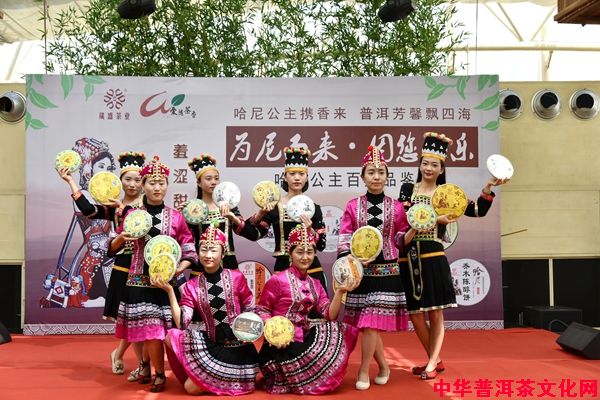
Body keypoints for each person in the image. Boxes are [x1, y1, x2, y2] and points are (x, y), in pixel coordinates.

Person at [398, 132, 508, 380]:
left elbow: (477, 210)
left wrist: (488, 188)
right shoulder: (407, 189)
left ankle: (431, 363)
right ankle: (434, 360)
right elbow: (403, 220)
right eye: (425, 163)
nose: (428, 168)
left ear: (442, 168)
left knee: (435, 311)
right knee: (415, 314)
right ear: (420, 164)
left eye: (434, 165)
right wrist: (434, 219)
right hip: (408, 256)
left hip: (433, 255)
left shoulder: (446, 193)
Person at [111, 155, 198, 392]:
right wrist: (121, 238)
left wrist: (181, 267)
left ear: (167, 185)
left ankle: (155, 371)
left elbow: (189, 247)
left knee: (156, 332)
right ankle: (149, 368)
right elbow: (112, 247)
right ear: (143, 185)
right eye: (151, 183)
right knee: (144, 330)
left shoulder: (176, 217)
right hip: (138, 280)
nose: (156, 187)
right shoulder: (133, 215)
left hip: (165, 283)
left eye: (161, 183)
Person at [57, 151, 146, 377]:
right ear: (120, 180)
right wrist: (70, 181)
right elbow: (89, 211)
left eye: (137, 179)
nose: (132, 184)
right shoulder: (113, 206)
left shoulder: (150, 205)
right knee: (131, 319)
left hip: (147, 267)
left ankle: (120, 355)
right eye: (128, 179)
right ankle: (142, 365)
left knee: (144, 319)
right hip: (124, 268)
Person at [153, 225, 259, 395]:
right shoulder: (192, 285)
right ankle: (205, 373)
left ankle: (213, 375)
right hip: (213, 345)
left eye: (213, 250)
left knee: (191, 388)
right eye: (204, 250)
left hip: (239, 348)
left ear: (222, 254)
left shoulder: (237, 277)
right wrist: (170, 291)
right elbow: (182, 323)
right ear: (198, 253)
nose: (208, 255)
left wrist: (248, 335)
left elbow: (251, 309)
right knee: (170, 337)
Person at [337, 145, 410, 390]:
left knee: (369, 323)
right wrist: (353, 259)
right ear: (363, 176)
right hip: (362, 273)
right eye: (371, 172)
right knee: (370, 325)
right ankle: (385, 366)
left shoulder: (397, 206)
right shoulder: (352, 205)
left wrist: (413, 229)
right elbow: (345, 238)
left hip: (387, 272)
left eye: (381, 172)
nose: (376, 176)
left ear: (387, 176)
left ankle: (364, 369)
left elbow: (399, 240)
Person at [257, 224, 359, 394]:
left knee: (336, 329)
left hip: (302, 339)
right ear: (290, 253)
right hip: (278, 345)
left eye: (309, 252)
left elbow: (329, 315)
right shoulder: (278, 280)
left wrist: (340, 292)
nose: (305, 257)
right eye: (300, 252)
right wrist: (275, 331)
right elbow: (262, 310)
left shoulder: (315, 284)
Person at [45, 138, 117, 308]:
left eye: (108, 169)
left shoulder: (110, 196)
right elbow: (88, 210)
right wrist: (71, 181)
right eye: (100, 167)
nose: (104, 172)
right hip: (96, 252)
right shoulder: (86, 195)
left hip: (113, 249)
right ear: (87, 169)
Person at [247, 147, 328, 290]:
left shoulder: (314, 208)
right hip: (283, 267)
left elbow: (321, 245)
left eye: (301, 174)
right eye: (292, 174)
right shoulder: (274, 207)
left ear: (307, 177)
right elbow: (254, 234)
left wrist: (310, 231)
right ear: (284, 176)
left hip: (311, 269)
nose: (297, 178)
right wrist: (260, 214)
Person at [186, 154, 257, 273]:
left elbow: (251, 234)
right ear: (199, 182)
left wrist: (233, 218)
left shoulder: (229, 205)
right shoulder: (193, 209)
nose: (213, 182)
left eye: (216, 178)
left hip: (228, 265)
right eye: (208, 179)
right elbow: (186, 240)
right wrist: (183, 218)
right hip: (202, 266)